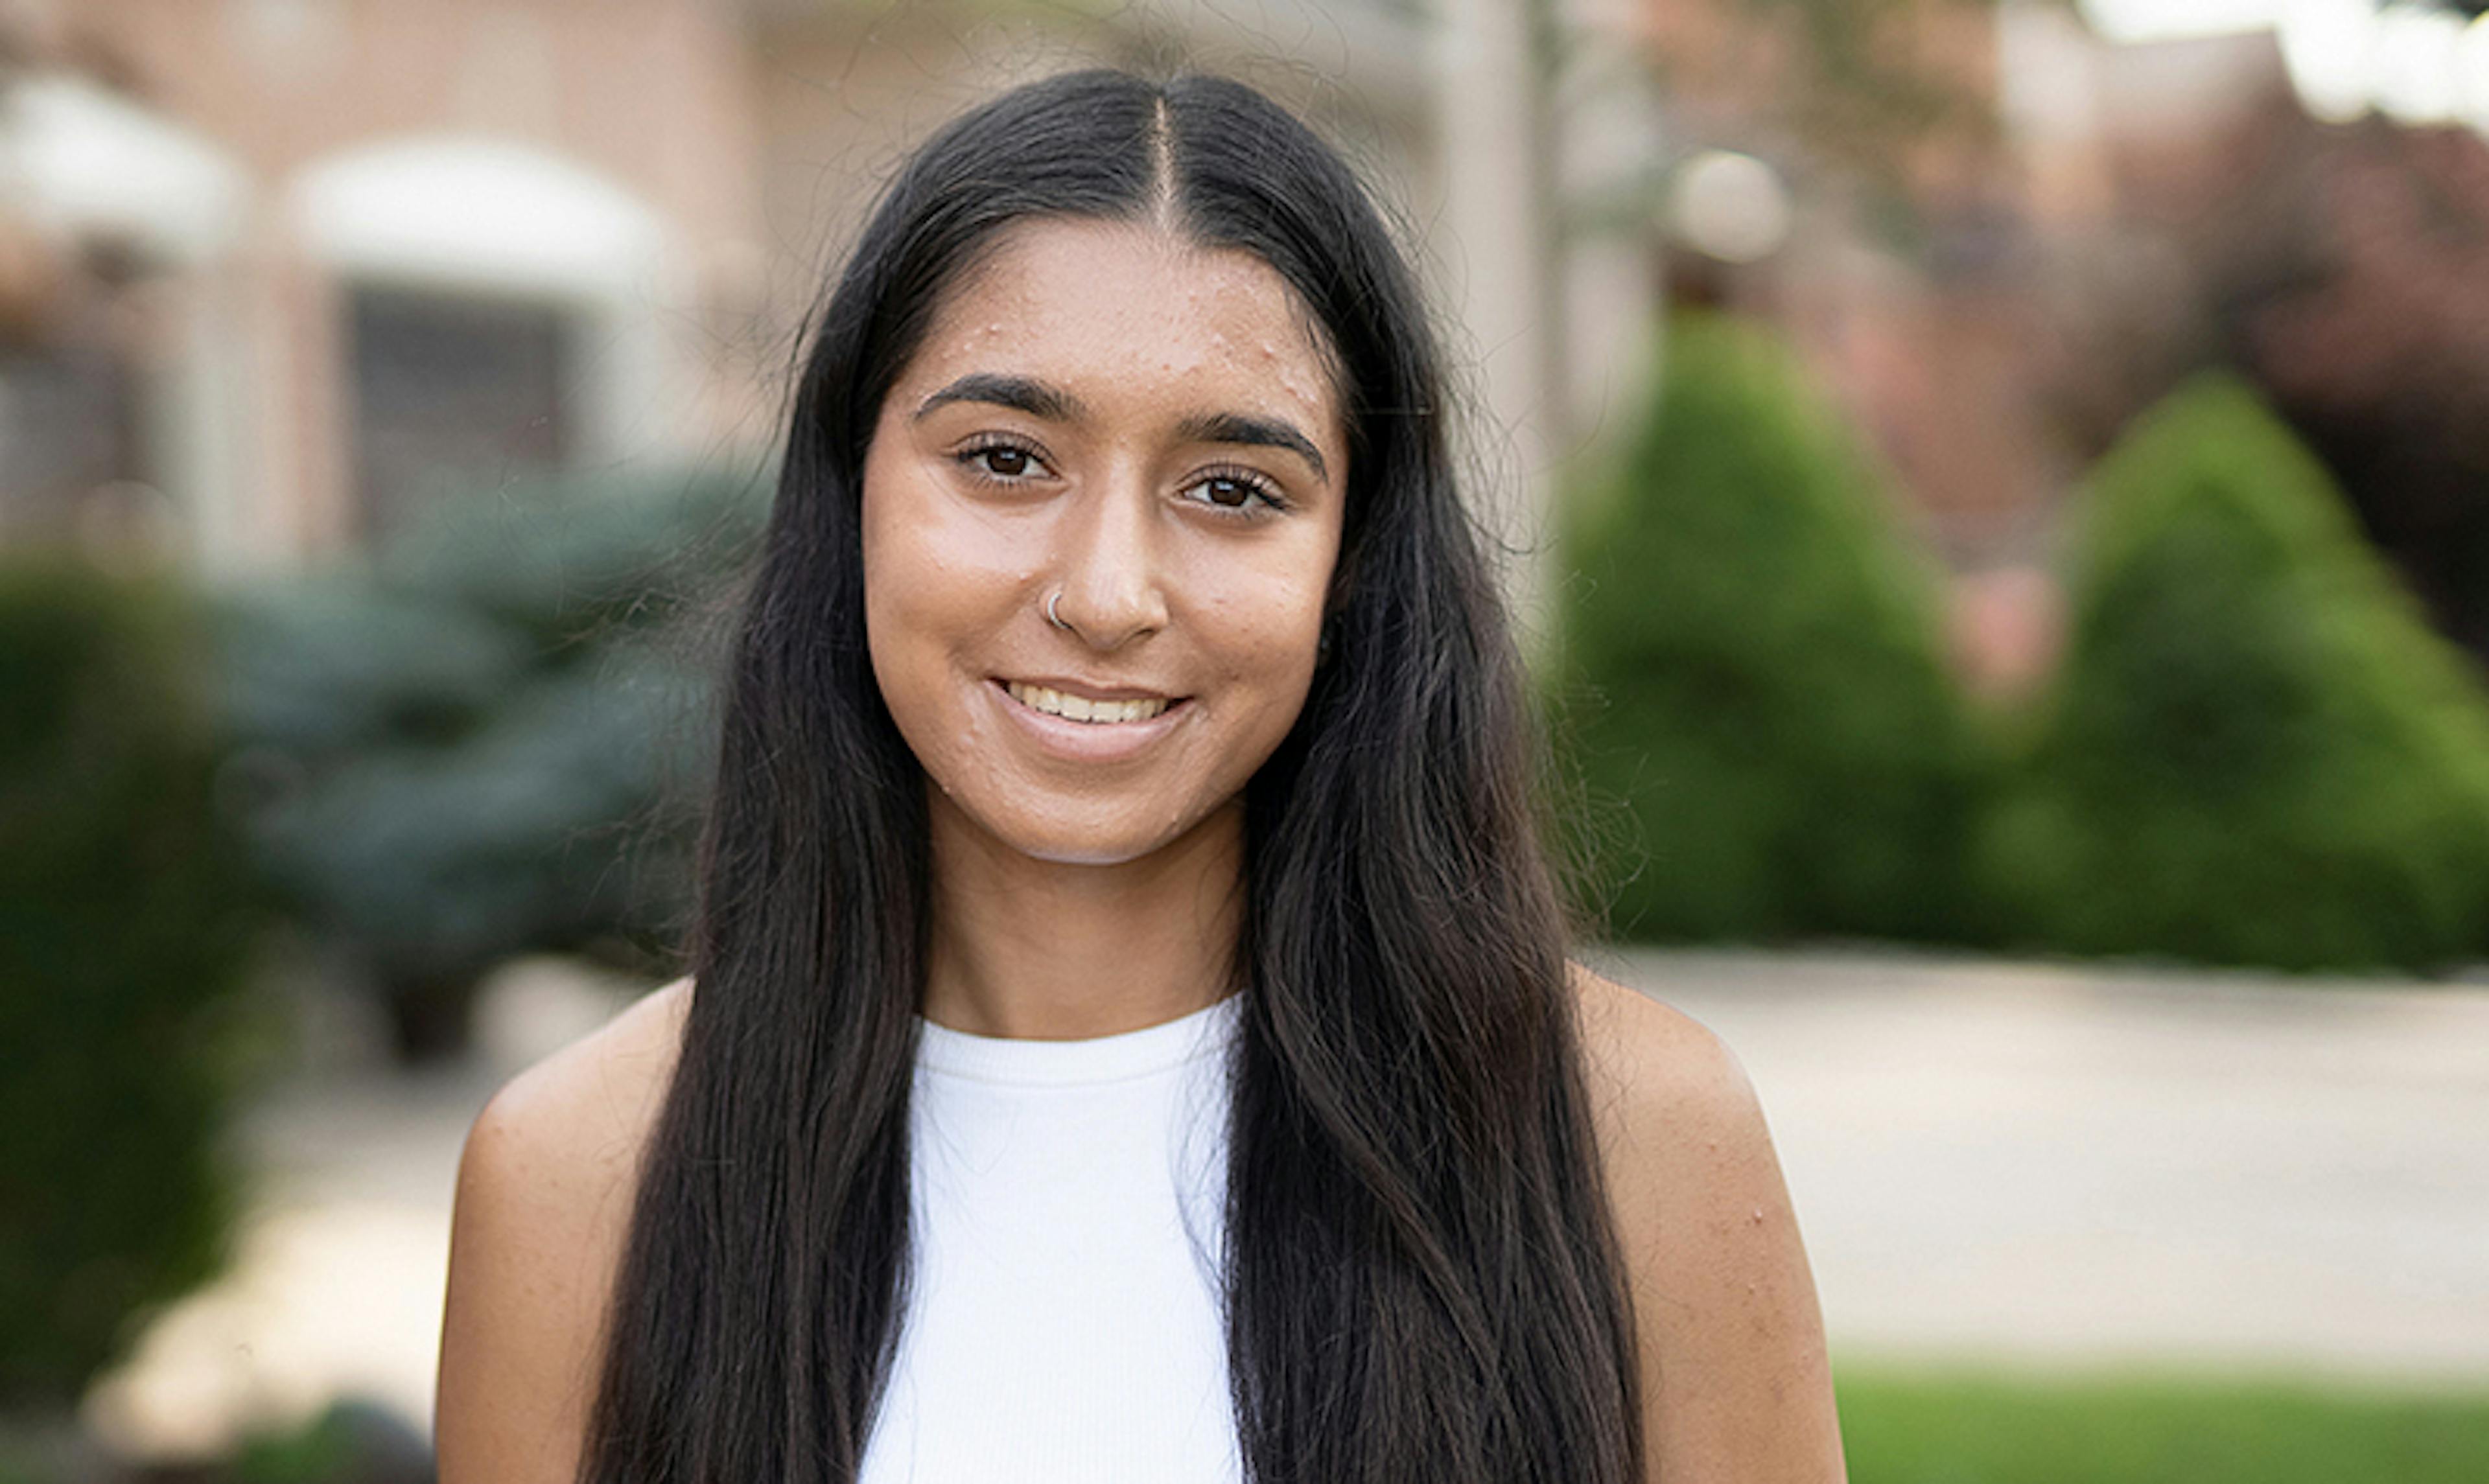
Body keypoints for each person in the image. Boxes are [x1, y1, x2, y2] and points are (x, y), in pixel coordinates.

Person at [434, 67, 1843, 1484]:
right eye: (1002, 458)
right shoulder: (579, 1173)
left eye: (1232, 488)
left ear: (1354, 564)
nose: (1109, 592)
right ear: (849, 492)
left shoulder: (1636, 1143)